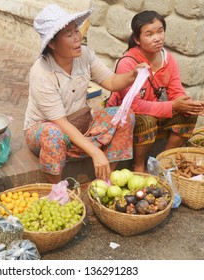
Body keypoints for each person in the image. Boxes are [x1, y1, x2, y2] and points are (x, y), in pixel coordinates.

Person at [24, 4, 149, 184]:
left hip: (82, 122)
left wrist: (133, 74)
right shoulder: (42, 73)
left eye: (77, 31)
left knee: (125, 116)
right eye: (69, 35)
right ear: (52, 43)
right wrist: (95, 152)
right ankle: (56, 188)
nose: (78, 38)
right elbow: (61, 123)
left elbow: (112, 82)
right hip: (47, 128)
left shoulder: (85, 55)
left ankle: (106, 179)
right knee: (53, 134)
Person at [106, 10, 204, 173]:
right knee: (146, 121)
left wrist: (187, 104)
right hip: (126, 116)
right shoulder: (128, 63)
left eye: (160, 31)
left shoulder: (167, 59)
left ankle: (162, 162)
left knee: (188, 114)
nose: (157, 38)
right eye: (149, 34)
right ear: (137, 39)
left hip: (153, 109)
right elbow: (134, 106)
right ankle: (139, 165)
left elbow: (176, 90)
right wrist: (173, 106)